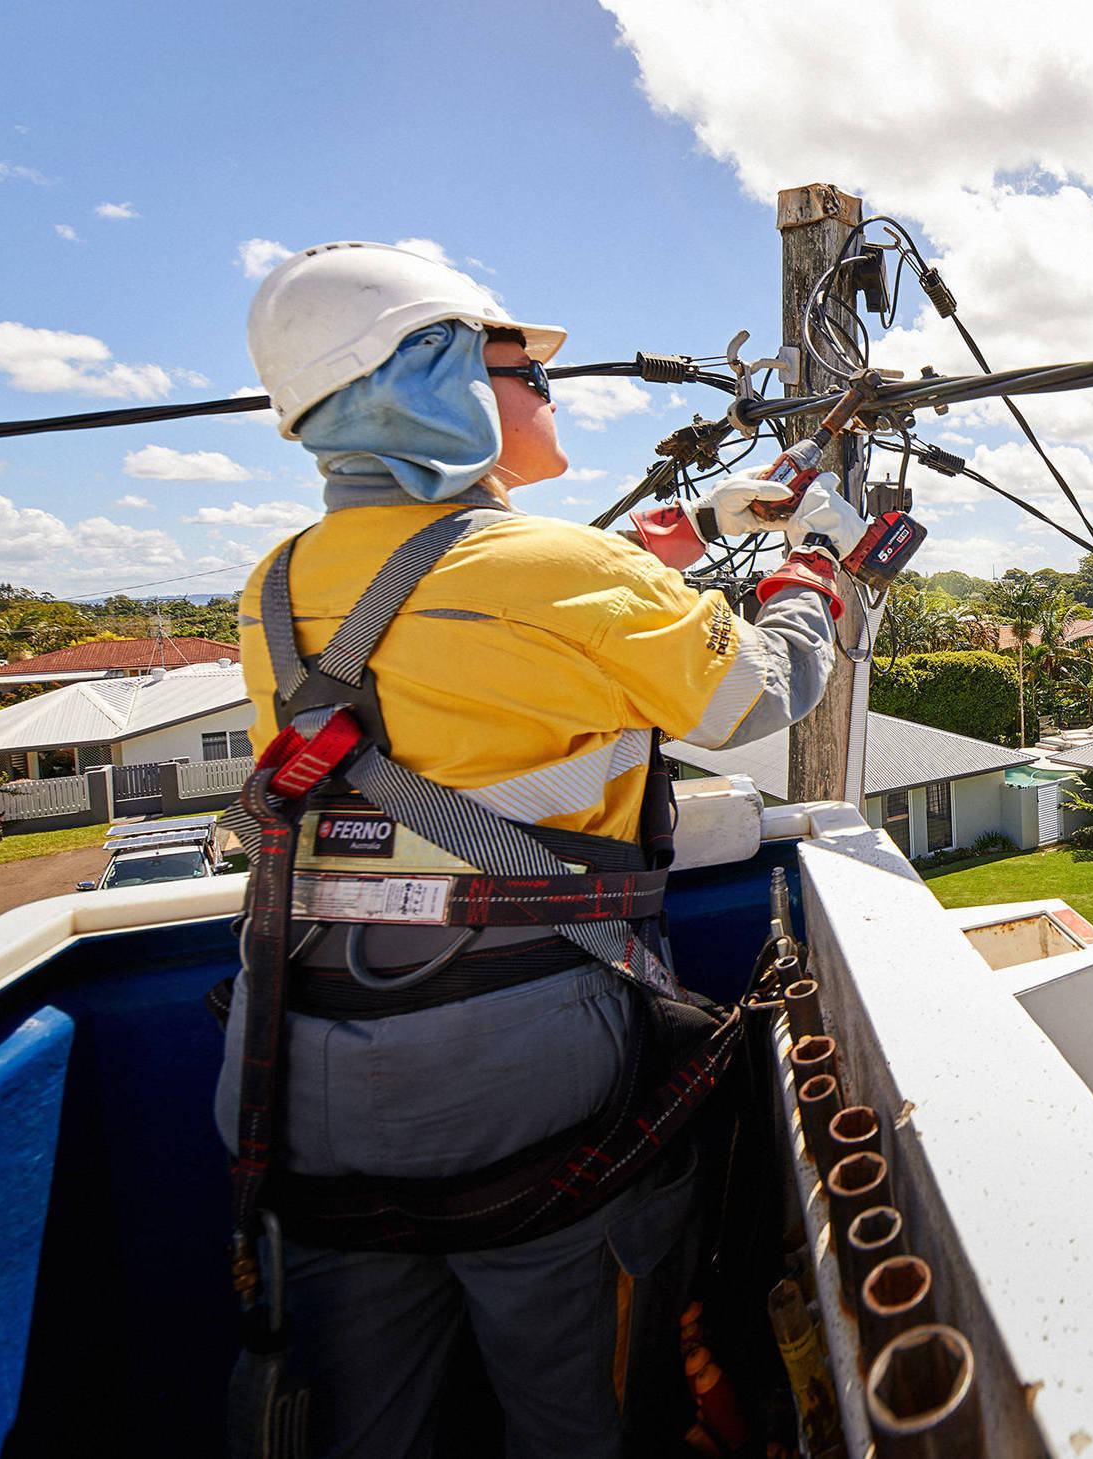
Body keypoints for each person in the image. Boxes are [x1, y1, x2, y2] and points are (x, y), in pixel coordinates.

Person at [214, 240, 848, 1457]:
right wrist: (812, 563)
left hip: (295, 1075)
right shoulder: (557, 570)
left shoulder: (278, 579)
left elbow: (463, 600)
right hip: (510, 1084)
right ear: (442, 381)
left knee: (371, 1427)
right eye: (527, 374)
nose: (551, 397)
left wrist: (704, 521)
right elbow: (754, 694)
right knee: (584, 1418)